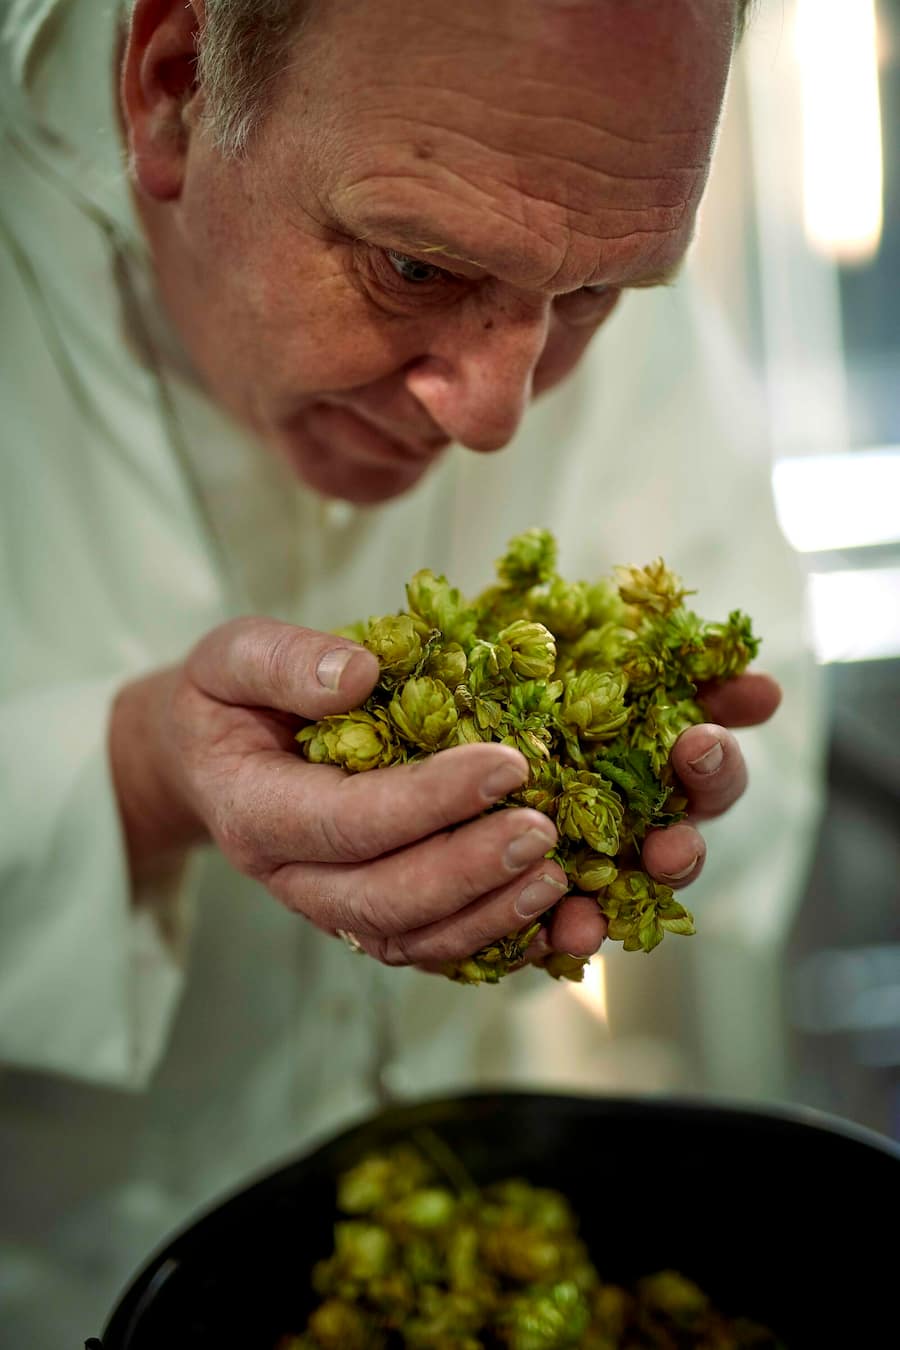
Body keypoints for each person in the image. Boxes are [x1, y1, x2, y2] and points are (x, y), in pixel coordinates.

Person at [0, 0, 821, 1339]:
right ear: (168, 88)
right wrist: (142, 769)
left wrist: (647, 793)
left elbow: (761, 689)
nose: (497, 416)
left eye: (593, 297)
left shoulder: (571, 183)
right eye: (416, 270)